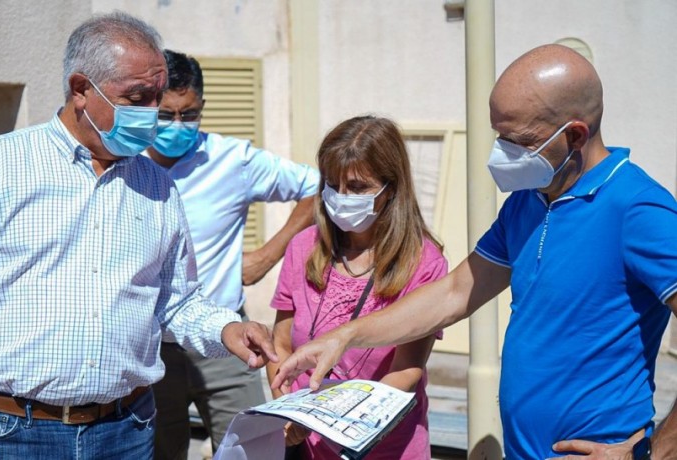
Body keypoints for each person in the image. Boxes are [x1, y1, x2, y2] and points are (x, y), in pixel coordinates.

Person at [0, 12, 276, 460]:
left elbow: (176, 302)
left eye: (157, 96)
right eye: (138, 97)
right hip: (7, 434)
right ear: (81, 89)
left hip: (125, 432)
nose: (153, 112)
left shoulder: (157, 186)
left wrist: (227, 328)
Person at [271, 44, 677, 460]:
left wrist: (652, 454)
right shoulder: (528, 201)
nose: (503, 151)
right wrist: (345, 336)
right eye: (500, 134)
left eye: (519, 141)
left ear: (575, 135)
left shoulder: (639, 209)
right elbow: (454, 293)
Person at [145, 49, 319, 459]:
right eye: (166, 114)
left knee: (252, 448)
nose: (177, 124)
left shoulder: (232, 160)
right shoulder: (125, 162)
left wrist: (269, 254)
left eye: (189, 114)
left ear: (202, 107)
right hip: (149, 346)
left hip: (227, 341)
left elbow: (317, 187)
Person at [264, 116, 447, 459]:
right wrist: (288, 410)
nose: (341, 197)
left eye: (358, 187)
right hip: (308, 446)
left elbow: (407, 370)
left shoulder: (424, 262)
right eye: (332, 185)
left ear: (391, 188)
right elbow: (281, 346)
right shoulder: (303, 247)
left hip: (385, 447)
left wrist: (342, 422)